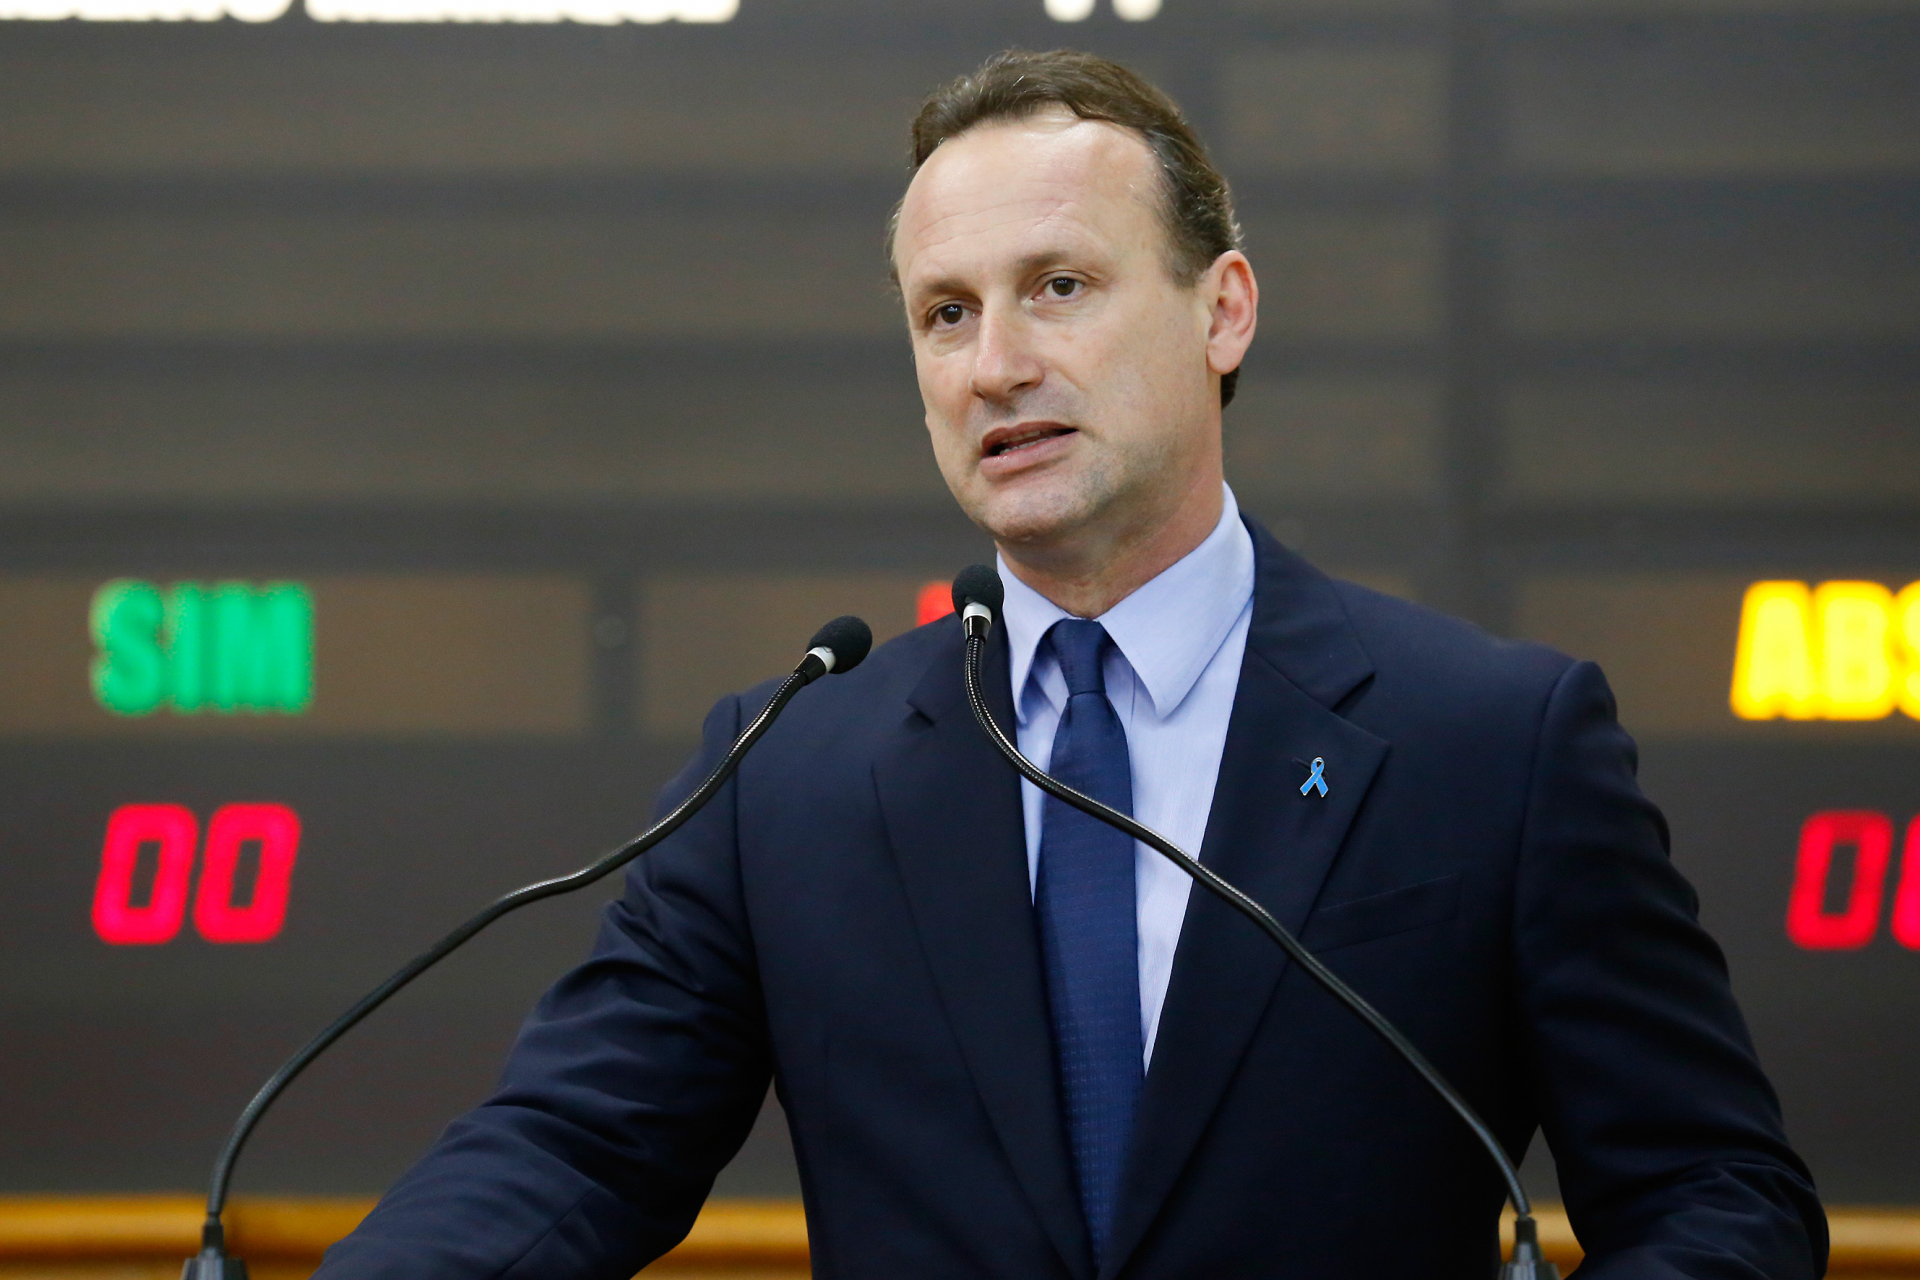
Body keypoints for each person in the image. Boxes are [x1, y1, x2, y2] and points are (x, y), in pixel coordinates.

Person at [316, 50, 1824, 1279]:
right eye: (946, 314)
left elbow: (1716, 1195)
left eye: (1059, 287)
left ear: (1222, 310)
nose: (995, 366)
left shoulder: (1492, 741)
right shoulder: (790, 768)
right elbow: (570, 1151)